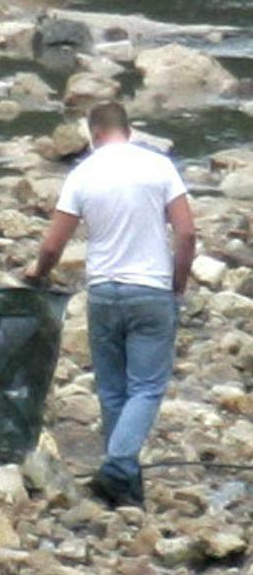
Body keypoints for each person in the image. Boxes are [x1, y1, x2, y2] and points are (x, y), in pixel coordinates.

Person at [25, 100, 196, 509]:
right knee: (148, 387)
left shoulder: (82, 174)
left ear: (93, 133)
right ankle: (119, 467)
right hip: (151, 289)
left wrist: (38, 274)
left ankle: (126, 489)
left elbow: (52, 244)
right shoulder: (158, 167)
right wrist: (177, 285)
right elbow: (187, 234)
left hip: (103, 291)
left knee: (113, 390)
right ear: (129, 130)